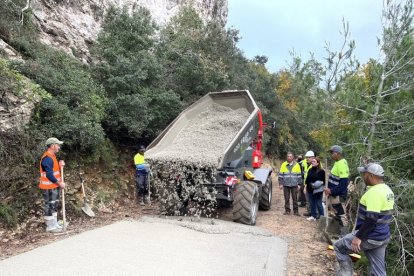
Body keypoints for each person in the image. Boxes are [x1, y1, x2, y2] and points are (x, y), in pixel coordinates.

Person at [334, 163, 394, 276]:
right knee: (378, 271)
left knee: (339, 247)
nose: (363, 176)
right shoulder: (387, 190)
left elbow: (371, 220)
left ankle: (346, 273)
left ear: (370, 175)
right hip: (382, 236)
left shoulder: (374, 192)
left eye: (364, 174)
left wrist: (358, 237)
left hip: (370, 236)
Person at [39, 137, 65, 233]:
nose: (59, 147)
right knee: (50, 205)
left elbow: (54, 170)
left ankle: (54, 224)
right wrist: (60, 183)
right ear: (52, 145)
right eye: (58, 145)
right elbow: (49, 175)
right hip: (49, 187)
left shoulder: (52, 156)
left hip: (54, 186)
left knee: (54, 205)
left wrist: (60, 165)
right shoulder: (47, 158)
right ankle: (50, 226)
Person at [324, 145, 350, 235]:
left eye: (332, 153)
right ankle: (336, 234)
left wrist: (331, 191)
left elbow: (343, 184)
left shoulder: (342, 164)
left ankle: (344, 237)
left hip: (338, 196)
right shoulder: (337, 162)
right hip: (333, 195)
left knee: (342, 216)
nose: (331, 155)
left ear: (338, 153)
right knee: (336, 215)